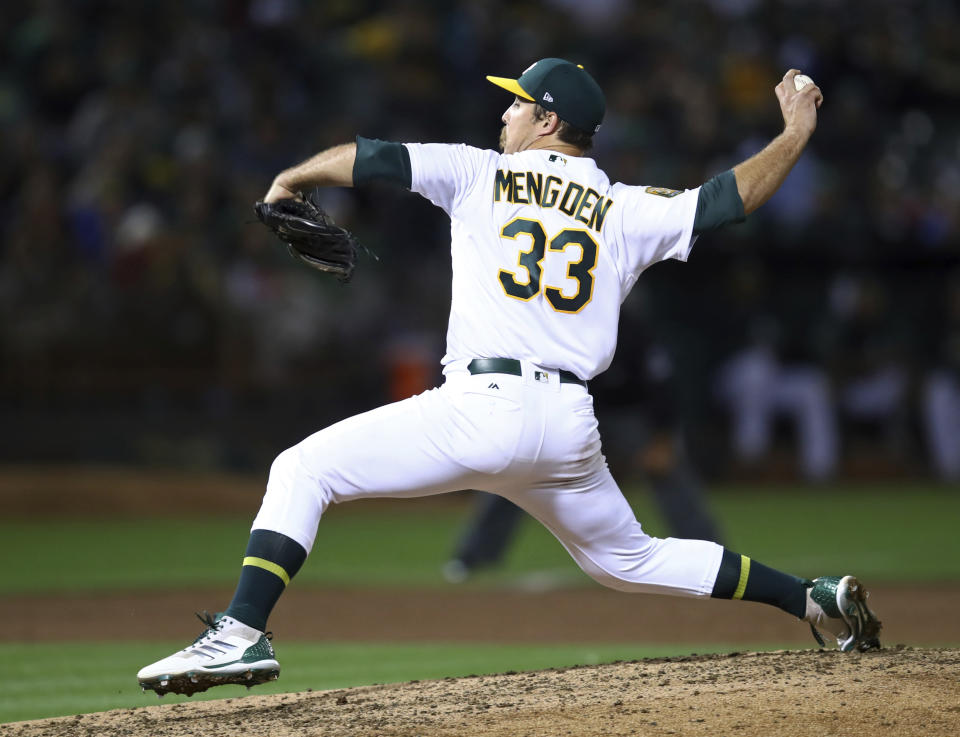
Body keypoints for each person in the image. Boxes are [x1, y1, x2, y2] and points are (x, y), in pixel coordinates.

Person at [137, 59, 881, 697]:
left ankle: (239, 630)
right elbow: (727, 201)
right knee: (631, 560)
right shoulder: (622, 207)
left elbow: (374, 159)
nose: (506, 111)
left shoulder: (476, 172)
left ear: (549, 120)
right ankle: (813, 599)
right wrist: (793, 136)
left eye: (519, 101)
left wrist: (289, 178)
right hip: (567, 427)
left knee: (302, 468)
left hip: (481, 408)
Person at [444, 305, 724, 583]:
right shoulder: (556, 324)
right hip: (567, 411)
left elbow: (661, 385)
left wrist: (662, 438)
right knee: (515, 469)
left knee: (667, 468)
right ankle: (472, 556)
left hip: (626, 415)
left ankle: (708, 552)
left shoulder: (630, 325)